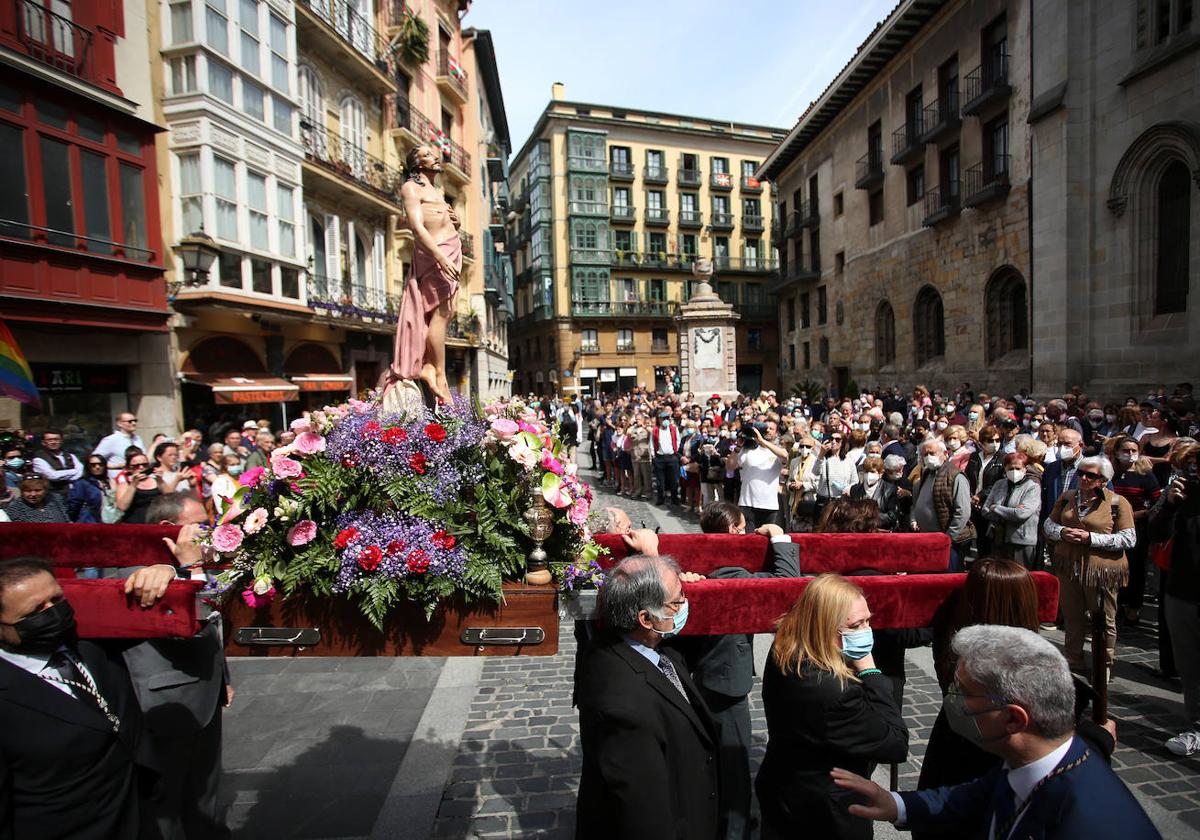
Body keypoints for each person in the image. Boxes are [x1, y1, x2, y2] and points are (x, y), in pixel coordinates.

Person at [831, 626, 1158, 839]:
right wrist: (895, 803)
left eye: (964, 694)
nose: (952, 702)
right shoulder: (1026, 764)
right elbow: (975, 796)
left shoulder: (1093, 824)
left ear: (1014, 720)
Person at [671, 502, 801, 840]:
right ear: (733, 532)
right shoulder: (732, 571)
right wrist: (779, 536)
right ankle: (735, 831)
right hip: (724, 680)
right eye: (743, 528)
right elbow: (784, 585)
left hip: (708, 675)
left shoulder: (706, 563)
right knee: (735, 766)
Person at [0, 556, 150, 839]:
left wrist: (162, 571)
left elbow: (170, 616)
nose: (53, 613)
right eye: (35, 612)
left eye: (56, 599)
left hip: (137, 817)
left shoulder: (90, 640)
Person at [574, 554, 720, 839]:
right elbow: (643, 812)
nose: (683, 607)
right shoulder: (623, 706)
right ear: (646, 618)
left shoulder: (646, 645)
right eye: (677, 602)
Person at [114, 492, 233, 839]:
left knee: (204, 794)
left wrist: (223, 677)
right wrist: (190, 569)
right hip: (167, 704)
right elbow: (189, 626)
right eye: (199, 524)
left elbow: (215, 622)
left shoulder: (181, 566)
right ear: (168, 528)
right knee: (168, 804)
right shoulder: (138, 574)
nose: (208, 531)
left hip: (203, 694)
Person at [755, 573, 908, 839]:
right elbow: (895, 743)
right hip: (827, 814)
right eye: (856, 624)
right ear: (825, 627)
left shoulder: (786, 644)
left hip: (784, 790)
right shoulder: (836, 694)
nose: (866, 631)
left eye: (868, 620)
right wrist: (870, 672)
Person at [1044, 455, 1135, 674]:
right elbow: (1048, 525)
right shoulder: (1067, 498)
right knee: (1073, 616)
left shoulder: (1117, 503)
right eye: (1080, 473)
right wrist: (1063, 532)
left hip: (1100, 570)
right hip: (1069, 567)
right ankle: (1073, 659)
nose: (1083, 478)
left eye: (1090, 475)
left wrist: (1091, 538)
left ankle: (1103, 664)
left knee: (1103, 619)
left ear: (1103, 480)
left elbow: (1129, 538)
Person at [387, 144, 463, 404]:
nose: (435, 157)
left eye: (434, 154)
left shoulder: (436, 190)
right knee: (439, 314)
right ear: (416, 164)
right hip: (436, 256)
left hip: (451, 251)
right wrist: (440, 257)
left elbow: (440, 220)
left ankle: (433, 367)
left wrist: (456, 223)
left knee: (447, 311)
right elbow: (417, 227)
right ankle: (436, 371)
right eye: (427, 155)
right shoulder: (411, 188)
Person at [1148, 442, 1200, 756]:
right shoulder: (1184, 496)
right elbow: (1155, 533)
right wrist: (1169, 505)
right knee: (1191, 667)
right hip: (1182, 590)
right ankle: (1196, 726)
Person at [1108, 435, 1161, 626]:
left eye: (1133, 451)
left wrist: (1136, 515)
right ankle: (1118, 603)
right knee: (1115, 566)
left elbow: (1157, 503)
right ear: (1116, 453)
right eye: (1126, 451)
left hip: (1137, 525)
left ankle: (1134, 606)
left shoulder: (1145, 475)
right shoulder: (1110, 473)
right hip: (1111, 526)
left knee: (1136, 568)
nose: (1130, 455)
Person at [911, 438, 975, 571]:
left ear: (945, 454)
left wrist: (948, 537)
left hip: (949, 542)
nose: (928, 457)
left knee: (948, 575)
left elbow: (962, 511)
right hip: (928, 539)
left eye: (932, 453)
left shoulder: (955, 476)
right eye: (925, 454)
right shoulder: (926, 473)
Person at [981, 452, 1042, 567]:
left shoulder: (1032, 487)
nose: (1014, 471)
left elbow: (1021, 514)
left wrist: (996, 507)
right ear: (1005, 469)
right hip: (998, 538)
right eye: (1010, 468)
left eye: (1018, 468)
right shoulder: (999, 484)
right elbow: (985, 510)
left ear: (1025, 469)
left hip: (1021, 541)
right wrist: (1010, 512)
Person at [736, 424, 788, 528]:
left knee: (768, 540)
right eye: (764, 429)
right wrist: (738, 447)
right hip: (748, 504)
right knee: (750, 539)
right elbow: (731, 466)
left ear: (777, 433)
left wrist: (761, 441)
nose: (767, 431)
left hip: (769, 505)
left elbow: (784, 456)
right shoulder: (747, 450)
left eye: (771, 428)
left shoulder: (778, 451)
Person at [849, 456, 901, 531]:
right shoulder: (855, 489)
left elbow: (892, 516)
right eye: (867, 471)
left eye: (872, 472)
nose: (869, 475)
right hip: (859, 532)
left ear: (880, 473)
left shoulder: (890, 490)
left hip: (880, 531)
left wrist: (870, 517)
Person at [115, 450, 164, 525]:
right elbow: (122, 507)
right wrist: (133, 485)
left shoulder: (157, 480)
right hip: (134, 524)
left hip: (156, 522)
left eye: (145, 464)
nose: (141, 467)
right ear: (128, 468)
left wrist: (161, 480)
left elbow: (169, 495)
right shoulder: (125, 484)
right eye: (136, 466)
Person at [31, 428, 82, 498]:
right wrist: (74, 471)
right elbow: (52, 476)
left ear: (61, 441)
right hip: (53, 497)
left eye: (56, 439)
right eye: (50, 440)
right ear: (43, 442)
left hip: (73, 494)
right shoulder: (38, 459)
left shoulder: (70, 456)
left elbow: (81, 472)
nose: (53, 442)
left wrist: (62, 475)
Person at [93, 411, 145, 477]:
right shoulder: (111, 440)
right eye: (130, 421)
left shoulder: (138, 439)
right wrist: (117, 466)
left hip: (137, 478)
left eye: (135, 420)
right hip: (118, 478)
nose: (134, 423)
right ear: (119, 423)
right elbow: (94, 460)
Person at [4, 475, 70, 523]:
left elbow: (67, 521)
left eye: (38, 490)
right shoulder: (15, 509)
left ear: (46, 490)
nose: (33, 494)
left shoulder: (55, 499)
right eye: (28, 491)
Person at [68, 454, 112, 524]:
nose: (97, 467)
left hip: (105, 522)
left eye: (100, 464)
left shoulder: (109, 482)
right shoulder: (81, 483)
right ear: (88, 467)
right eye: (93, 465)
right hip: (87, 522)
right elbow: (74, 506)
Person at [651, 412, 681, 506]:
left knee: (674, 479)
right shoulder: (655, 430)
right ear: (659, 420)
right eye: (663, 419)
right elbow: (651, 443)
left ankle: (674, 498)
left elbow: (678, 440)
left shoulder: (673, 429)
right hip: (659, 457)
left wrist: (675, 452)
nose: (665, 420)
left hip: (672, 457)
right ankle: (661, 498)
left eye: (667, 418)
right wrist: (653, 456)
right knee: (660, 481)